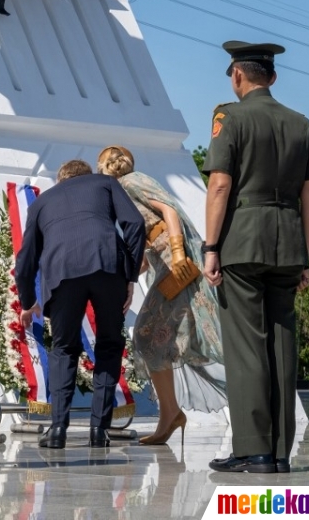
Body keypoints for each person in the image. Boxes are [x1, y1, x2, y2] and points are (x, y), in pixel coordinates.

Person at [202, 40, 309, 475]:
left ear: (237, 75)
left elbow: (219, 185)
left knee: (247, 347)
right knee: (282, 345)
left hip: (242, 243)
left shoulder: (229, 117)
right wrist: (304, 255)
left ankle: (254, 451)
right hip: (288, 242)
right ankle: (282, 452)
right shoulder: (301, 124)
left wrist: (211, 247)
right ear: (273, 76)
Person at [98, 146, 226, 446]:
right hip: (164, 264)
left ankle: (171, 414)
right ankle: (170, 414)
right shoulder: (122, 197)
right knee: (150, 338)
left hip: (176, 263)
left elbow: (169, 211)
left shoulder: (131, 182)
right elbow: (143, 252)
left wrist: (179, 254)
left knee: (148, 335)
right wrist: (125, 283)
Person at [15, 159, 145, 449]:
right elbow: (135, 223)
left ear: (61, 179)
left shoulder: (41, 202)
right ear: (86, 176)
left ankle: (58, 429)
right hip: (107, 265)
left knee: (63, 348)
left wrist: (28, 301)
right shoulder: (105, 183)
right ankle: (100, 430)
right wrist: (130, 275)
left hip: (61, 274)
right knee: (109, 344)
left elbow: (25, 259)